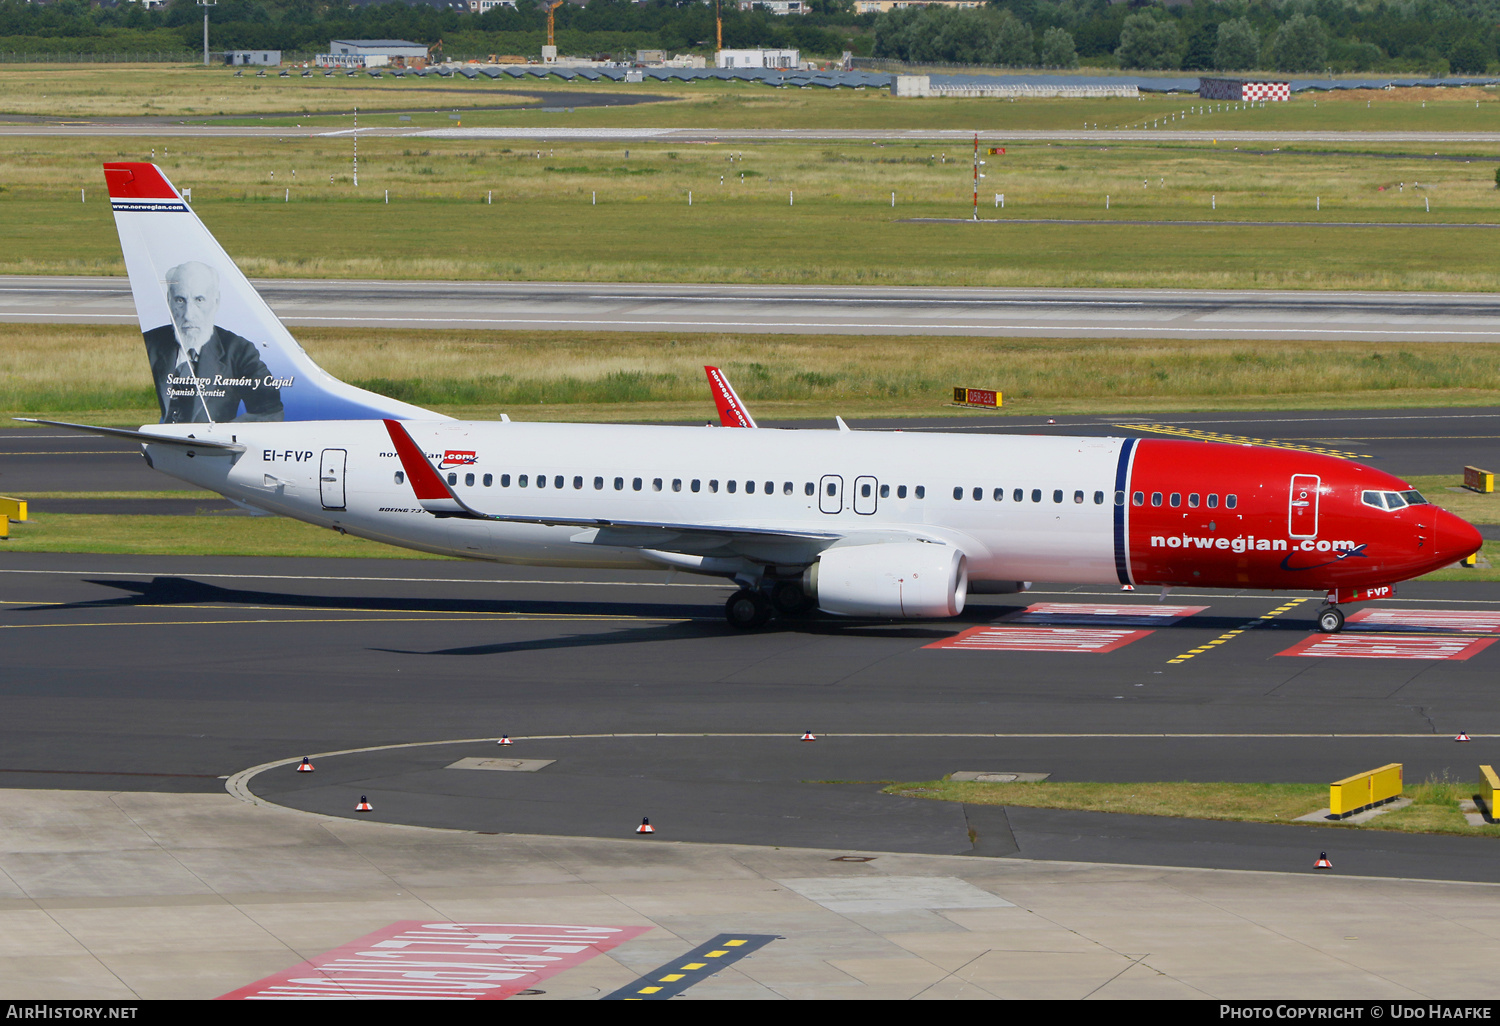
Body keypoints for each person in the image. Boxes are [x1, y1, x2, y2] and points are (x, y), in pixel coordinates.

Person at [142, 261, 284, 423]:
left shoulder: (239, 351)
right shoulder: (150, 344)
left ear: (215, 302)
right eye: (180, 301)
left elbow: (270, 410)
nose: (189, 315)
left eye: (199, 300)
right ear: (169, 301)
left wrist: (223, 435)